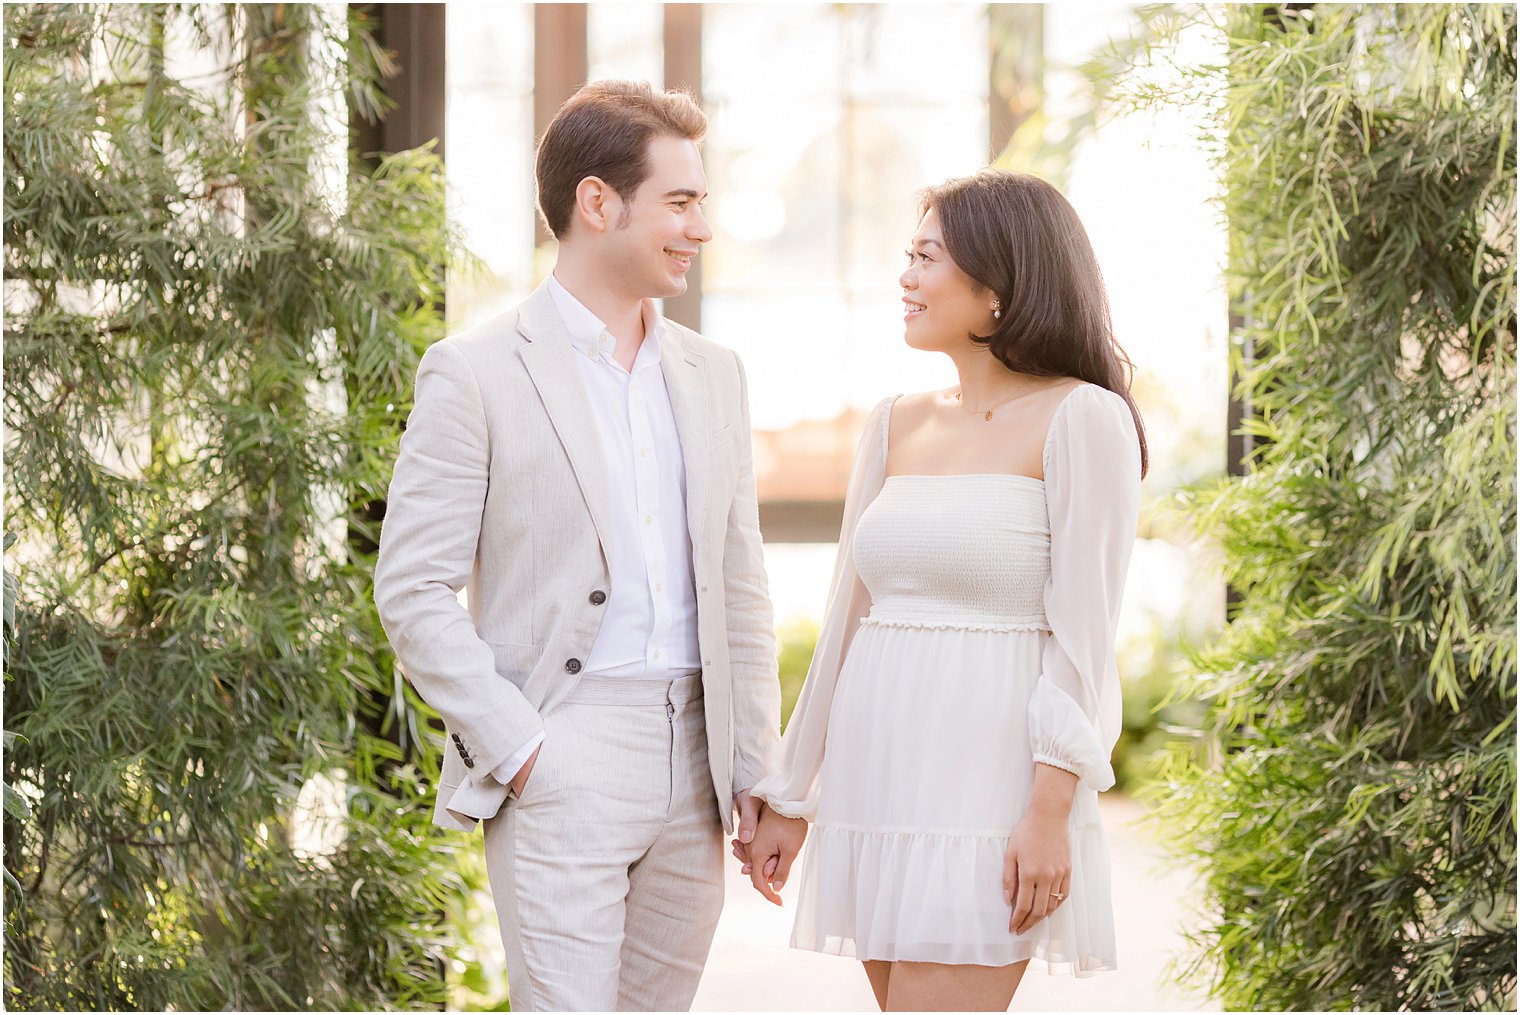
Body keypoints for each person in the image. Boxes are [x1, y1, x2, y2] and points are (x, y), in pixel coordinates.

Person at [373, 80, 780, 1012]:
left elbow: (739, 585)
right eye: (681, 202)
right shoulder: (473, 372)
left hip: (698, 760)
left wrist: (759, 772)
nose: (702, 228)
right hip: (562, 742)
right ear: (598, 203)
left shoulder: (715, 374)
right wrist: (521, 748)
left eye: (702, 203)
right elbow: (413, 589)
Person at [739, 169, 1147, 1012]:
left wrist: (1048, 811)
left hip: (992, 794)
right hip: (879, 782)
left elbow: (1083, 640)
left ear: (997, 288)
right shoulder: (894, 421)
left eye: (925, 257)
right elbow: (847, 621)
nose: (905, 277)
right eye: (907, 255)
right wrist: (792, 794)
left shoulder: (1083, 418)